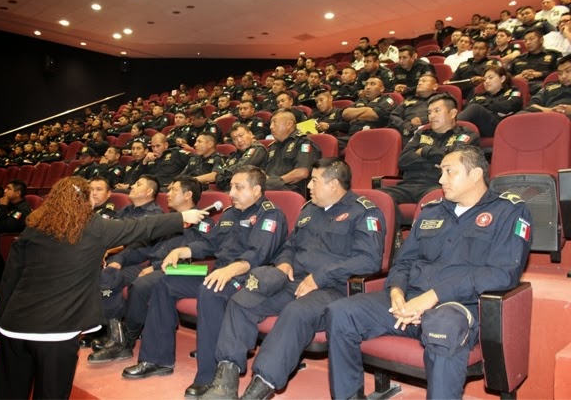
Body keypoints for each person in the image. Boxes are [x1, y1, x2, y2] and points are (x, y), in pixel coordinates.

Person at [325, 145, 532, 400]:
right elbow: (403, 262)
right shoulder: (431, 210)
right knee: (341, 313)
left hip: (458, 306)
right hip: (410, 300)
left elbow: (503, 273)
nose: (441, 179)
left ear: (476, 174)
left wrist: (435, 295)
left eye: (449, 172)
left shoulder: (508, 211)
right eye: (441, 172)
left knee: (443, 326)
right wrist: (397, 292)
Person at [0, 176, 205, 399]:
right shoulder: (94, 227)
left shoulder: (32, 230)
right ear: (85, 200)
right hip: (56, 332)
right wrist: (181, 218)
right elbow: (141, 227)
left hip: (13, 327)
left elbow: (9, 281)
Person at [202, 158, 385, 399]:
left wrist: (320, 276)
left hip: (334, 288)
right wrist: (285, 261)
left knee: (296, 312)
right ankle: (225, 382)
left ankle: (259, 387)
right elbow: (289, 245)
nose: (308, 186)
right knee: (241, 300)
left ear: (334, 185)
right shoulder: (309, 210)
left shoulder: (364, 212)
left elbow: (369, 260)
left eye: (315, 181)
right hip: (293, 280)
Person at [120, 166, 288, 397]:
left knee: (210, 290)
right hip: (220, 271)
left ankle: (210, 376)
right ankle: (157, 360)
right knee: (164, 282)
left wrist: (229, 270)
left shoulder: (270, 215)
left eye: (238, 187)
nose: (232, 192)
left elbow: (258, 255)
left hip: (248, 277)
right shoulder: (230, 213)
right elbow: (210, 243)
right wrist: (184, 250)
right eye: (231, 187)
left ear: (257, 190)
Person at [87, 176, 214, 364]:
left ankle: (126, 342)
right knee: (109, 275)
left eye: (173, 190)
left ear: (187, 195)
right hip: (154, 267)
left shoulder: (203, 221)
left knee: (141, 285)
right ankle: (114, 334)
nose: (167, 194)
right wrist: (120, 260)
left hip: (182, 271)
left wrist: (154, 267)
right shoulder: (167, 221)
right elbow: (142, 246)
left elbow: (199, 253)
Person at [378, 93, 479, 217]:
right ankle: (396, 235)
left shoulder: (466, 134)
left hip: (439, 185)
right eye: (429, 112)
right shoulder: (421, 134)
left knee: (436, 201)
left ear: (452, 113)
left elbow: (453, 161)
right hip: (409, 185)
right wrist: (436, 161)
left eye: (437, 111)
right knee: (376, 199)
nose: (432, 116)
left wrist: (423, 151)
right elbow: (403, 161)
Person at [264, 110, 321, 194]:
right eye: (270, 123)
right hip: (269, 186)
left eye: (274, 122)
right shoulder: (273, 145)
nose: (271, 127)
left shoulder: (303, 142)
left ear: (289, 124)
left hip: (291, 190)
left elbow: (302, 172)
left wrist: (275, 182)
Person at [457, 65, 524, 136]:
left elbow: (510, 105)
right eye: (485, 79)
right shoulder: (479, 96)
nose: (487, 81)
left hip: (501, 126)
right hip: (478, 127)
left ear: (502, 79)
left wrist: (486, 106)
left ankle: (449, 130)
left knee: (475, 108)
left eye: (490, 78)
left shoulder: (513, 91)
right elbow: (467, 110)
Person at [388, 73, 439, 145]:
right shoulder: (409, 99)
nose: (420, 83)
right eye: (419, 82)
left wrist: (423, 120)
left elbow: (443, 114)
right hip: (403, 131)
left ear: (435, 86)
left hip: (427, 133)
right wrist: (403, 124)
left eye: (424, 81)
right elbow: (394, 115)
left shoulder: (440, 99)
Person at [214, 123, 268, 191]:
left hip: (251, 189)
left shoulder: (258, 149)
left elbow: (242, 167)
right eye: (234, 139)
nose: (239, 140)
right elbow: (219, 175)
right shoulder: (234, 155)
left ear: (251, 134)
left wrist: (225, 176)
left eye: (241, 136)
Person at [510, 28, 561, 94]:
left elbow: (560, 72)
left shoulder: (554, 55)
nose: (528, 42)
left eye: (531, 39)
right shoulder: (519, 58)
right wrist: (516, 78)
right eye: (525, 41)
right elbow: (507, 76)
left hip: (542, 85)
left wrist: (540, 74)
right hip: (519, 87)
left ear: (541, 40)